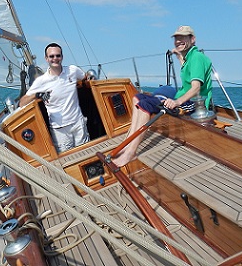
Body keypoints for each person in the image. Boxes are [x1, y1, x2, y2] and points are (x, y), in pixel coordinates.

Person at [112, 25, 212, 167]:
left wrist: (177, 102)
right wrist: (179, 57)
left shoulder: (196, 58)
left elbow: (196, 88)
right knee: (138, 98)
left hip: (194, 103)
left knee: (145, 105)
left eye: (183, 37)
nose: (178, 41)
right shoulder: (190, 57)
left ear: (193, 39)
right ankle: (128, 142)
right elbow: (188, 74)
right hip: (184, 96)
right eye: (177, 38)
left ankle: (130, 153)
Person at [19, 42, 89, 153]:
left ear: (62, 57)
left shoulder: (73, 70)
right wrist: (37, 95)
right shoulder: (41, 81)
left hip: (78, 124)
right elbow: (22, 103)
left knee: (87, 154)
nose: (55, 58)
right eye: (51, 56)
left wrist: (90, 77)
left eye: (58, 55)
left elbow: (85, 77)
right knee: (67, 160)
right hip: (60, 130)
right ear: (46, 58)